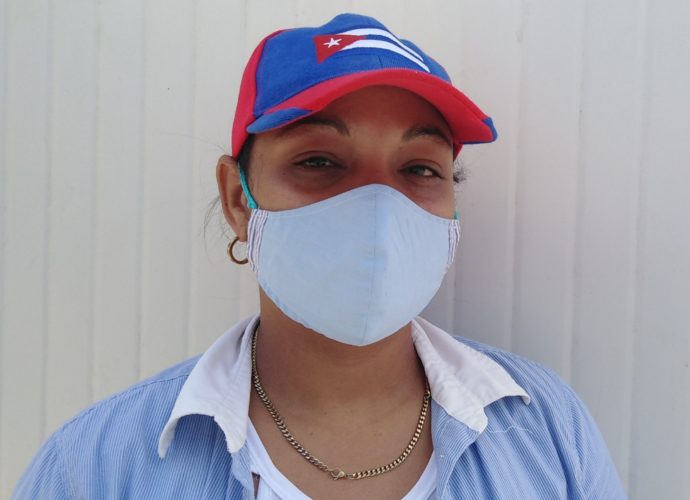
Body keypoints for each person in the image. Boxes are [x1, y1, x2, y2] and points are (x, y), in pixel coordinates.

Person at [14, 13, 626, 500]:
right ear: (238, 199)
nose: (378, 209)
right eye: (319, 161)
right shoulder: (95, 466)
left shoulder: (548, 432)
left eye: (419, 169)